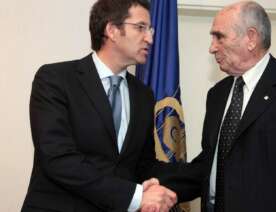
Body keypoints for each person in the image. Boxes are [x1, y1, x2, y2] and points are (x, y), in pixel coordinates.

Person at [159, 1, 276, 212]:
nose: (212, 47)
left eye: (219, 36)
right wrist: (147, 186)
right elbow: (210, 164)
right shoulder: (217, 95)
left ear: (251, 38)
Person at [21, 0, 177, 211]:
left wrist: (208, 171)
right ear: (112, 30)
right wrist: (135, 196)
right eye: (141, 28)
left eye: (150, 29)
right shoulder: (55, 79)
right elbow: (58, 159)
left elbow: (143, 164)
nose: (150, 38)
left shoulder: (143, 95)